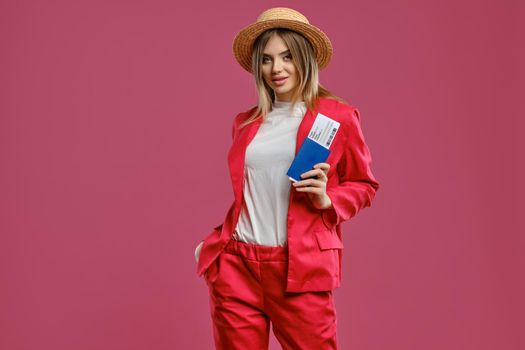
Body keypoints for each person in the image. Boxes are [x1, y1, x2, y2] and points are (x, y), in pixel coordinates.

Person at [194, 7, 380, 350]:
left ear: (304, 58)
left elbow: (365, 185)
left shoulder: (338, 116)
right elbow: (249, 192)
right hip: (237, 265)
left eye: (286, 56)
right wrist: (213, 248)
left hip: (299, 269)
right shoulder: (246, 123)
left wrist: (329, 199)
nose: (276, 69)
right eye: (266, 59)